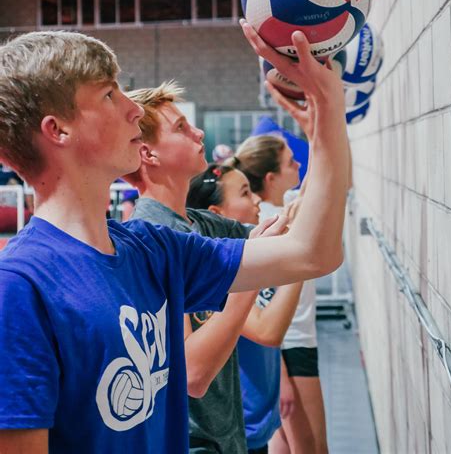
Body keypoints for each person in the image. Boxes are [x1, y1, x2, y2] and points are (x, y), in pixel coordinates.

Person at [0, 25, 348, 453]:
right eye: (109, 94)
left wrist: (329, 108)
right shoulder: (19, 287)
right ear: (58, 130)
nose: (131, 110)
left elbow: (314, 252)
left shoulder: (154, 248)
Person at [125, 86, 302, 453]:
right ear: (148, 153)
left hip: (229, 436)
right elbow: (194, 374)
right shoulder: (149, 239)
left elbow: (295, 242)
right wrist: (250, 270)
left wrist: (323, 122)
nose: (199, 132)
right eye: (181, 128)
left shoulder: (203, 225)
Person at [187, 164, 303, 454]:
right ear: (216, 213)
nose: (255, 201)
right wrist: (299, 263)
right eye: (244, 193)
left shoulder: (249, 254)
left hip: (261, 410)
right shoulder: (222, 275)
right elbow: (267, 330)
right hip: (243, 421)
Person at [232, 134, 328, 454]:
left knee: (287, 446)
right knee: (310, 447)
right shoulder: (269, 223)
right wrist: (281, 376)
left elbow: (317, 182)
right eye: (290, 161)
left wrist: (317, 125)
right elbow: (262, 306)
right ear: (271, 177)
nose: (298, 163)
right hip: (290, 348)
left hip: (293, 343)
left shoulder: (286, 207)